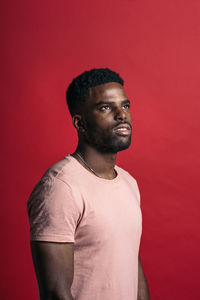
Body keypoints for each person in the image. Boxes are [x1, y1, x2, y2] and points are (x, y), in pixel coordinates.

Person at [27, 68, 150, 300]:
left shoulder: (128, 182)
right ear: (80, 123)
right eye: (106, 107)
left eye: (125, 106)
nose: (121, 114)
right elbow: (56, 293)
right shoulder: (61, 187)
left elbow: (131, 263)